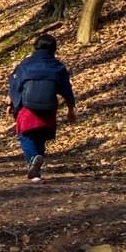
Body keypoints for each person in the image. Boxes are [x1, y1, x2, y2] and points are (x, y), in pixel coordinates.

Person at [8, 32, 77, 183]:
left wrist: (12, 104)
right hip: (49, 107)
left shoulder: (25, 65)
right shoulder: (57, 66)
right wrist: (71, 108)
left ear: (36, 47)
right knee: (40, 136)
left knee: (25, 136)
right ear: (54, 48)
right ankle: (36, 172)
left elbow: (15, 85)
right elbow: (66, 88)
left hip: (27, 107)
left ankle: (34, 159)